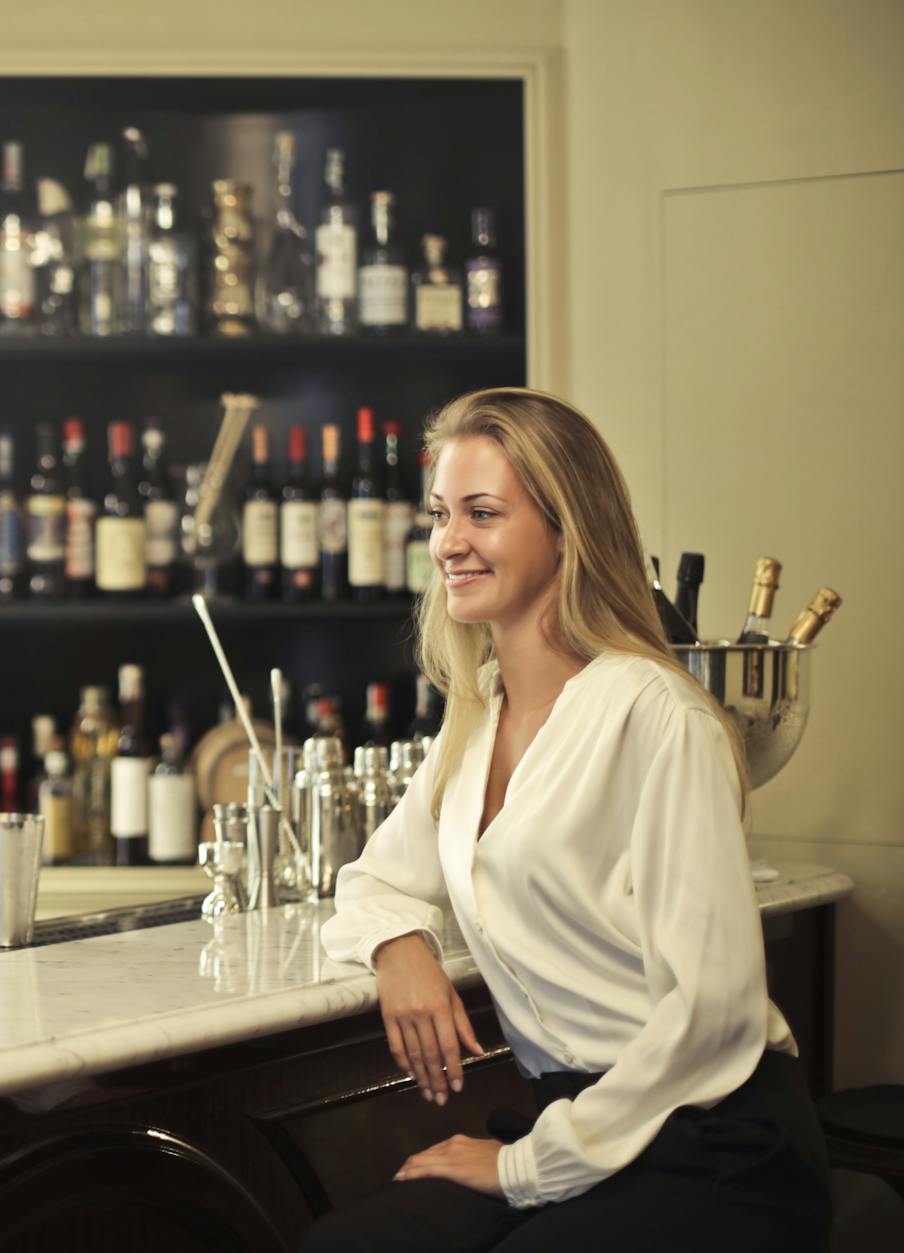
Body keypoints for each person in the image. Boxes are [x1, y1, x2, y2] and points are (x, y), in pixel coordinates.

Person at [303, 388, 830, 1252]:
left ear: (566, 529)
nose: (449, 542)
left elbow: (715, 1018)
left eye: (483, 513)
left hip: (714, 1140)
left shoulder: (661, 718)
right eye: (442, 514)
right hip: (576, 1124)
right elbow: (374, 878)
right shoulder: (477, 718)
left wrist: (521, 1168)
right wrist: (400, 945)